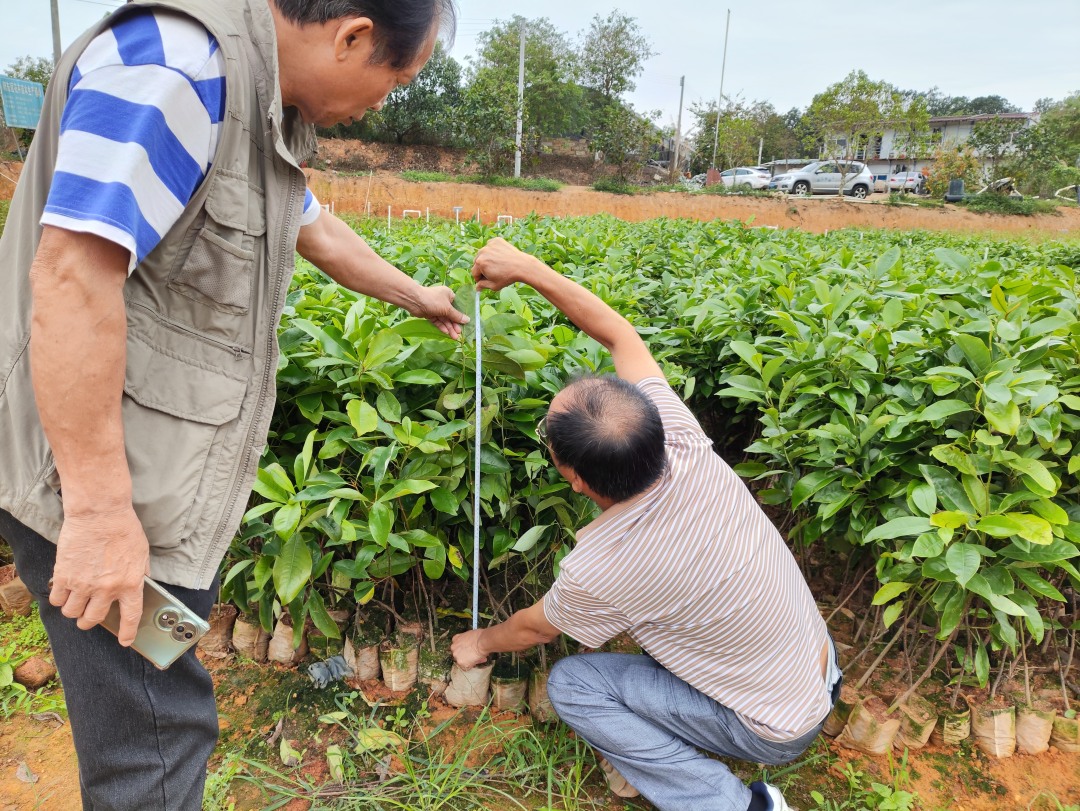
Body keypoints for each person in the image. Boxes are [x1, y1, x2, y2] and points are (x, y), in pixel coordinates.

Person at [0, 0, 465, 808]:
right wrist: (102, 515)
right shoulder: (177, 70)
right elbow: (72, 277)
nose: (387, 100)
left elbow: (309, 225)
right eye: (397, 76)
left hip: (152, 481)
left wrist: (416, 296)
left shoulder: (250, 100)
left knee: (161, 705)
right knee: (154, 737)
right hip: (89, 488)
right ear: (352, 35)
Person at [452, 238, 843, 811]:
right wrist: (529, 269)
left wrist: (478, 642)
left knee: (573, 686)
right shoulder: (685, 443)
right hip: (814, 668)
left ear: (576, 479)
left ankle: (734, 805)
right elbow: (621, 335)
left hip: (773, 726)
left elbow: (534, 630)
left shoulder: (601, 568)